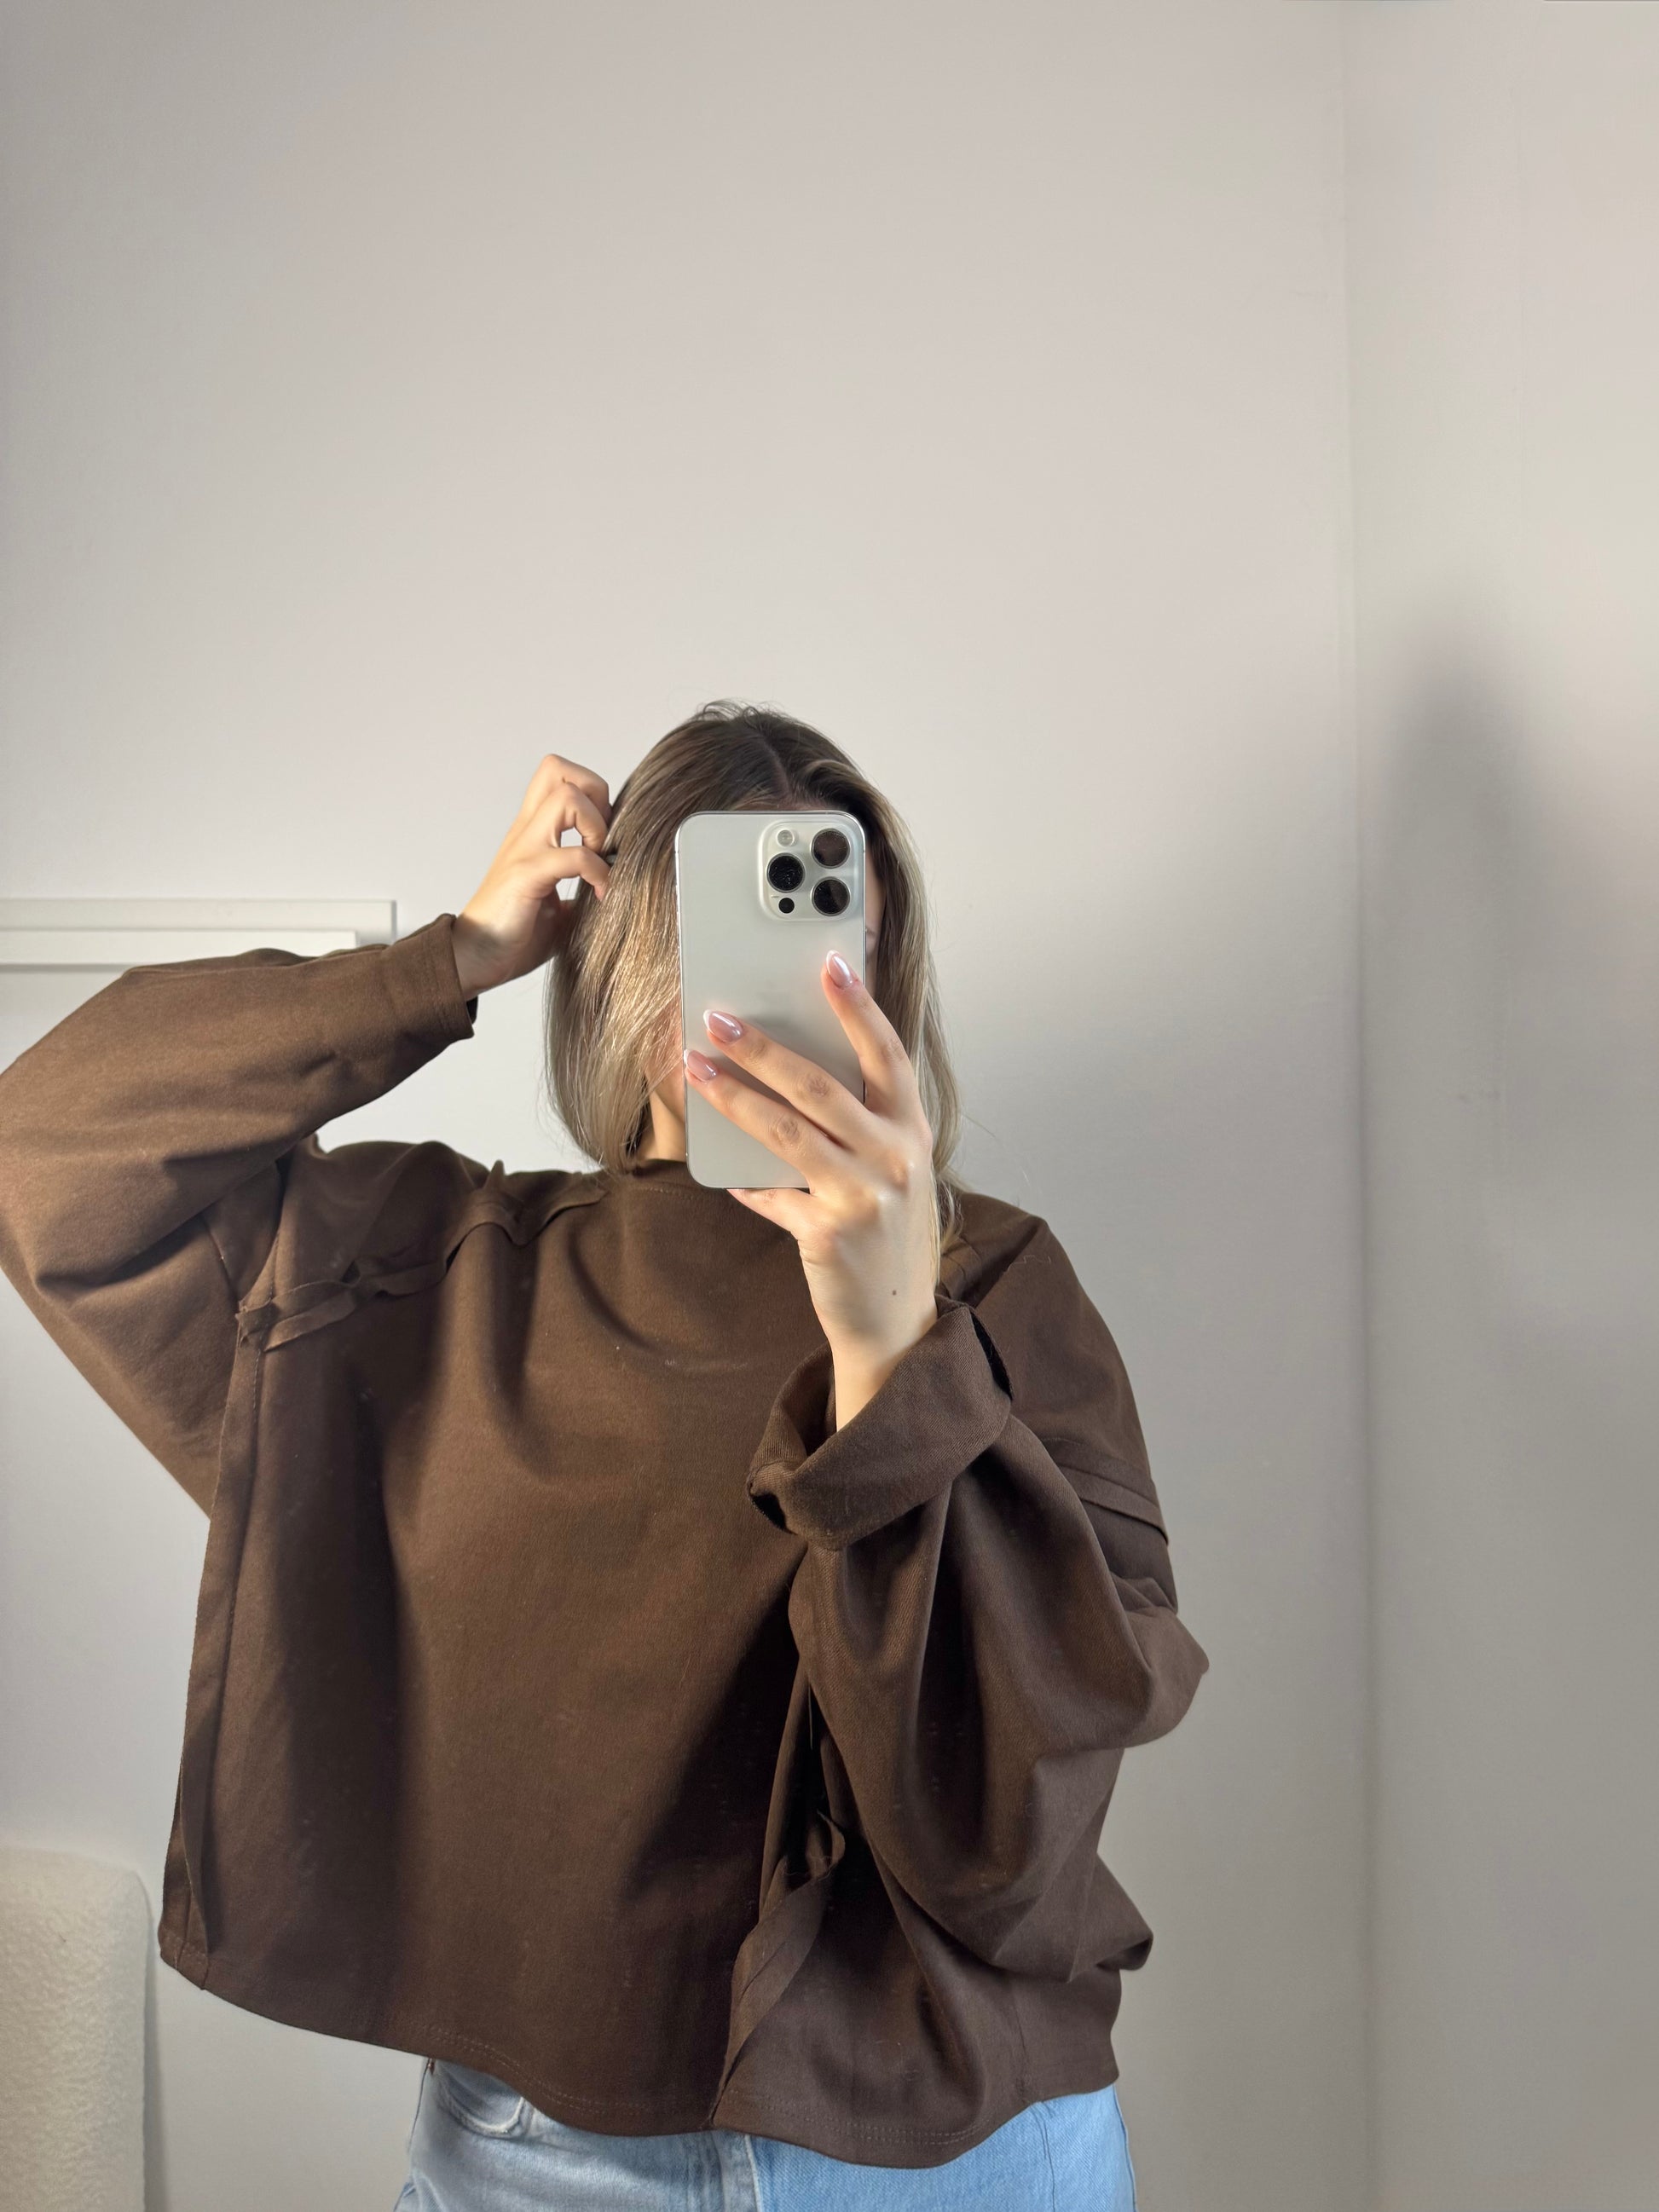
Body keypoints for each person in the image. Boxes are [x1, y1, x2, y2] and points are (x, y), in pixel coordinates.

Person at [0, 702, 1208, 2211]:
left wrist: (894, 1348)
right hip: (539, 2160)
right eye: (725, 937)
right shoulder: (425, 1278)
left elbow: (1025, 1790)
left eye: (830, 940)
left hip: (959, 2152)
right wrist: (447, 960)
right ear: (624, 963)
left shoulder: (998, 1289)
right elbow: (48, 1151)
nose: (778, 998)